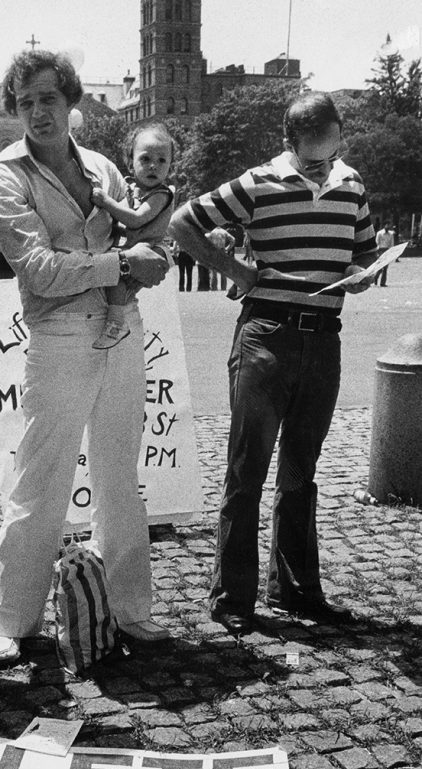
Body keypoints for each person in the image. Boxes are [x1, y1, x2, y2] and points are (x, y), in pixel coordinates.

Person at [0, 49, 171, 666]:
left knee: (120, 477)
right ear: (16, 109)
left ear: (72, 105)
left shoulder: (103, 169)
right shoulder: (5, 176)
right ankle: (13, 619)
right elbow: (36, 270)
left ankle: (130, 610)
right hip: (59, 338)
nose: (38, 112)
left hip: (121, 330)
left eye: (49, 99)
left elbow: (139, 243)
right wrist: (122, 265)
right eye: (27, 101)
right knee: (42, 480)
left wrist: (152, 259)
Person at [170, 91, 377, 636]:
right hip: (265, 337)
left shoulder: (352, 185)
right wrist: (234, 271)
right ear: (289, 144)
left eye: (329, 154)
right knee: (247, 472)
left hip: (324, 340)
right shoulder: (258, 182)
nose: (322, 165)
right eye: (311, 158)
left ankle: (297, 590)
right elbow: (183, 223)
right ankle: (232, 599)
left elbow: (363, 253)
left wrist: (364, 273)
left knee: (301, 473)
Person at [90, 123, 175, 346]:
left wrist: (106, 202)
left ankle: (117, 322)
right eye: (145, 159)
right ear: (130, 163)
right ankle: (119, 321)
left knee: (116, 274)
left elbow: (135, 219)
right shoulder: (132, 190)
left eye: (162, 161)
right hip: (133, 248)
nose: (153, 166)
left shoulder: (161, 195)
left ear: (169, 168)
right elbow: (118, 221)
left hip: (149, 251)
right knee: (115, 277)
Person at [374, 222, 396, 286]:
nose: (388, 226)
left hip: (387, 250)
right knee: (380, 267)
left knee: (385, 268)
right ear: (384, 225)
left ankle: (382, 283)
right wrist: (377, 252)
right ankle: (376, 277)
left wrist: (391, 252)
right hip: (380, 250)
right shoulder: (379, 233)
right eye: (387, 225)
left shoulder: (391, 234)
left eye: (389, 225)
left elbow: (391, 244)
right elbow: (377, 242)